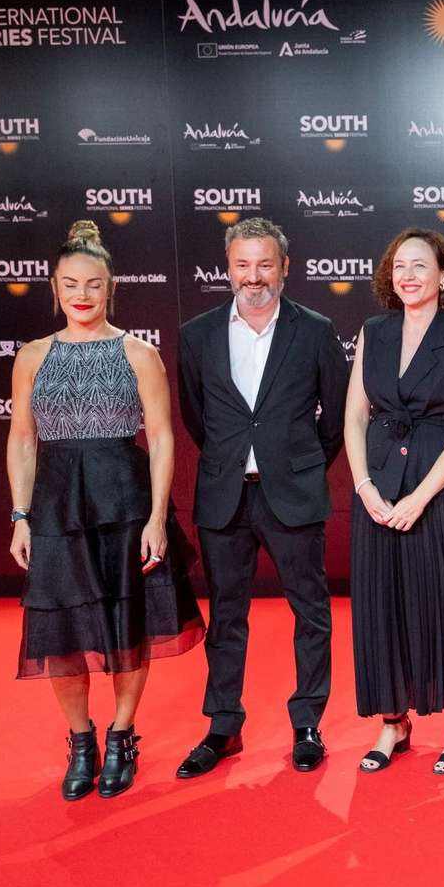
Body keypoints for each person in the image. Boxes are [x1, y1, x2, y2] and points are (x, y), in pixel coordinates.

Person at [6, 220, 204, 800]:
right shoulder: (32, 356)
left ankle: (121, 736)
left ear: (111, 287)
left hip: (125, 501)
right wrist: (20, 515)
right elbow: (22, 440)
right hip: (56, 506)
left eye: (93, 284)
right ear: (54, 287)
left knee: (128, 622)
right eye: (70, 284)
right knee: (61, 628)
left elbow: (162, 438)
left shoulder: (138, 353)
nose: (82, 295)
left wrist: (157, 518)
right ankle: (81, 742)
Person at [175, 217, 349, 777]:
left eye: (265, 264)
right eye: (243, 265)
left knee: (310, 611)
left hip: (293, 494)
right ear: (228, 269)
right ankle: (223, 725)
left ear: (285, 268)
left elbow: (335, 420)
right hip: (223, 496)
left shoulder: (316, 331)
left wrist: (296, 466)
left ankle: (307, 722)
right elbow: (197, 419)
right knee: (226, 616)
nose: (254, 277)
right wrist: (234, 462)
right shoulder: (196, 334)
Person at [344, 228, 444, 775]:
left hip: (439, 489)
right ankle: (393, 721)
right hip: (377, 485)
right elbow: (355, 415)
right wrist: (363, 486)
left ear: (443, 275)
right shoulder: (373, 331)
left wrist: (420, 497)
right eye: (399, 265)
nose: (408, 275)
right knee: (379, 606)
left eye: (420, 265)